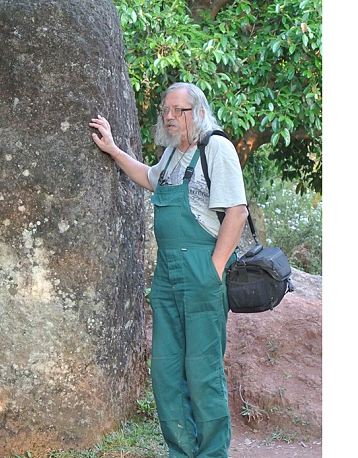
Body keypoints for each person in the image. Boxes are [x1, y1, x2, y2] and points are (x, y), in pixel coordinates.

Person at [89, 82, 248, 457]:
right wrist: (113, 150)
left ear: (199, 112)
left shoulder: (216, 149)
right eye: (167, 110)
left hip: (201, 269)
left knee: (202, 372)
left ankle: (211, 454)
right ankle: (181, 452)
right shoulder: (173, 154)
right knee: (165, 371)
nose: (170, 117)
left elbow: (237, 212)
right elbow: (149, 178)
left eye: (180, 110)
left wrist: (214, 269)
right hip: (167, 275)